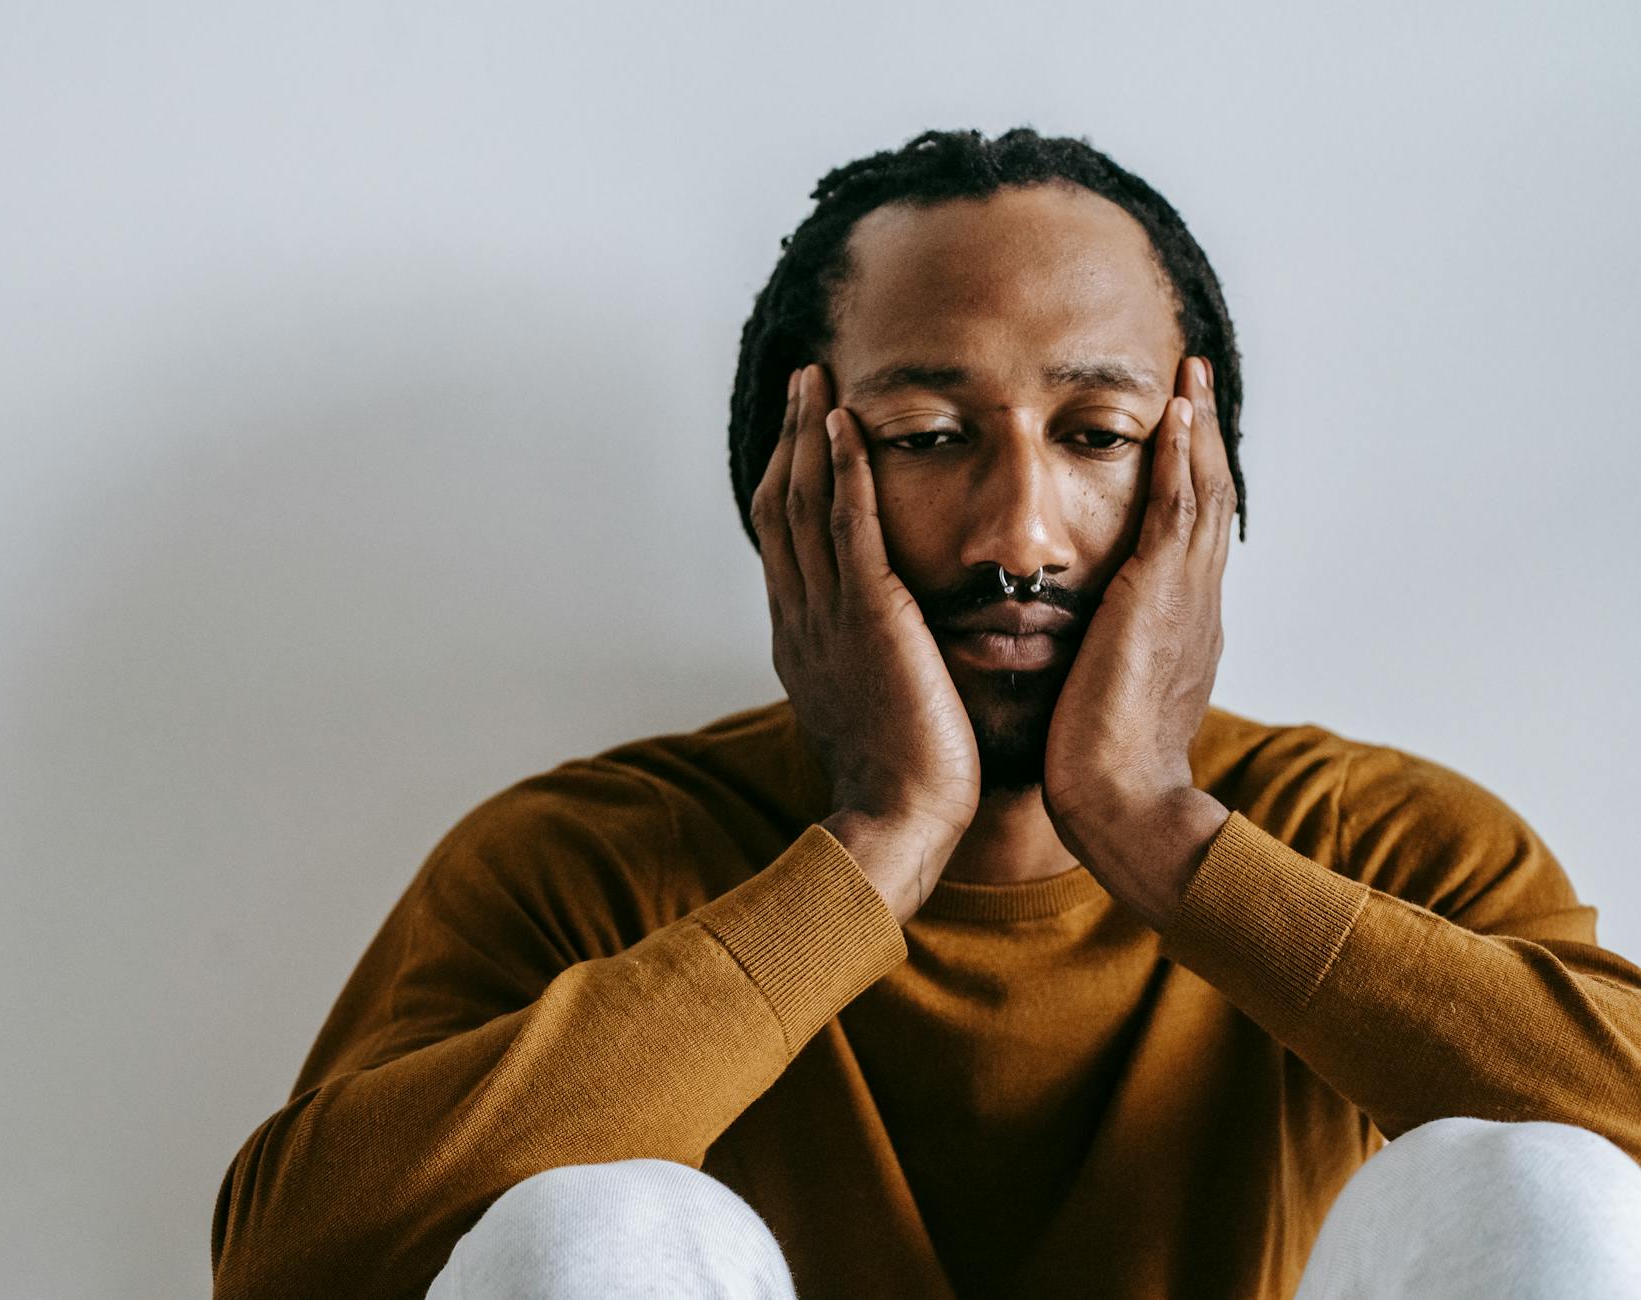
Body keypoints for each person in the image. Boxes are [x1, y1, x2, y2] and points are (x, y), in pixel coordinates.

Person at [208, 127, 1641, 1299]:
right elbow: (288, 1267)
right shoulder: (587, 857)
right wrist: (881, 842)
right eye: (927, 438)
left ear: (1200, 488)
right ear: (786, 488)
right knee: (594, 1230)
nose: (1020, 532)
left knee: (1535, 1172)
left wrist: (1156, 831)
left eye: (1096, 437)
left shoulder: (1382, 841)